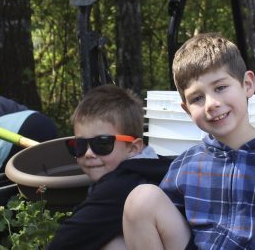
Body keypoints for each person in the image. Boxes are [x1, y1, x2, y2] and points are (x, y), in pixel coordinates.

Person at [122, 33, 255, 249]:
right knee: (141, 199)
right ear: (187, 110)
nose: (211, 104)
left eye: (220, 88)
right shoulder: (186, 166)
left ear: (247, 84)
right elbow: (166, 227)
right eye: (197, 98)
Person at [47, 85, 173, 250]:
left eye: (102, 143)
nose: (89, 153)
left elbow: (66, 241)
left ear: (133, 148)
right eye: (79, 144)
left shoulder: (122, 183)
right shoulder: (149, 165)